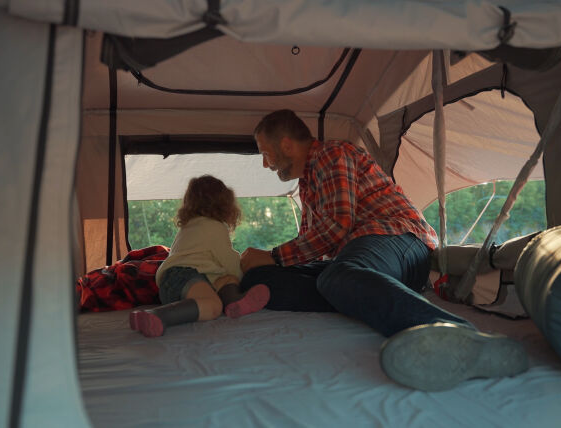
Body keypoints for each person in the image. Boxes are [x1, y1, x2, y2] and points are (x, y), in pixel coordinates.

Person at [240, 109, 528, 391]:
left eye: (265, 154)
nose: (265, 164)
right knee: (261, 278)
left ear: (286, 145)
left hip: (399, 240)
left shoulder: (332, 155)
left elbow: (337, 225)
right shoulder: (307, 184)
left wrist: (275, 255)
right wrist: (271, 264)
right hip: (365, 260)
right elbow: (311, 242)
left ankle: (460, 335)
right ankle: (354, 291)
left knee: (337, 276)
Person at [130, 175, 269, 337]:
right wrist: (244, 277)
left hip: (173, 282)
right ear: (225, 204)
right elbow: (228, 260)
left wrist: (230, 279)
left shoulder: (188, 227)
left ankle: (235, 303)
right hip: (184, 276)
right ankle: (157, 315)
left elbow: (207, 264)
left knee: (226, 279)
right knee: (213, 305)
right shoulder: (215, 227)